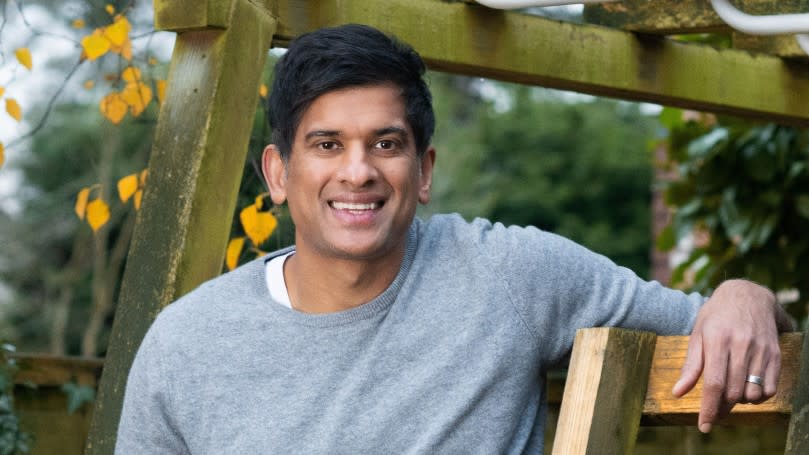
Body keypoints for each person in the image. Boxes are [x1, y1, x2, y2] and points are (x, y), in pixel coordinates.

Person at [115, 24, 794, 453]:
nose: (358, 171)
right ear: (278, 173)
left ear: (424, 170)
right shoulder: (186, 345)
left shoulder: (510, 275)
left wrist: (742, 293)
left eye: (386, 143)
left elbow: (721, 326)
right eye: (326, 145)